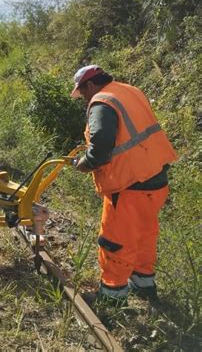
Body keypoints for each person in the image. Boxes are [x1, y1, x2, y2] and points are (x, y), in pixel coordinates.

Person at [71, 65, 177, 305]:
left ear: (90, 85)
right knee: (143, 235)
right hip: (156, 179)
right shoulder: (129, 91)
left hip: (129, 184)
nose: (84, 98)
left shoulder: (102, 101)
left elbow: (100, 149)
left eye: (83, 92)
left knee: (115, 239)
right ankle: (144, 285)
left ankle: (112, 296)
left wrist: (84, 164)